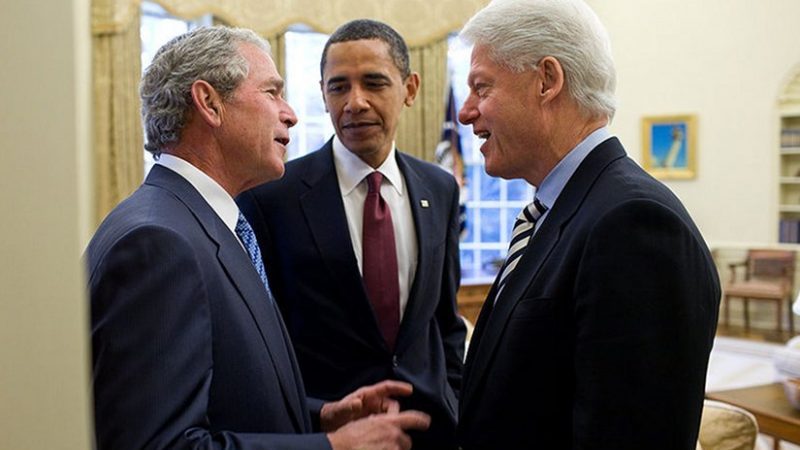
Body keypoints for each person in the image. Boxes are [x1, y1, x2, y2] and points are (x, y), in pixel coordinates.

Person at [85, 26, 430, 450]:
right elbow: (161, 445)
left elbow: (224, 393)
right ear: (210, 103)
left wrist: (320, 415)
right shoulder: (158, 244)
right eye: (272, 92)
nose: (291, 113)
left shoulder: (201, 222)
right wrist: (333, 447)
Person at [454, 1, 720, 449]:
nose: (465, 112)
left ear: (547, 81)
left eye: (481, 88)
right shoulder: (562, 210)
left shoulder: (633, 225)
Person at [238, 19, 465, 450]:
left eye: (374, 83)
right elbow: (264, 340)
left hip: (430, 429)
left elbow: (445, 322)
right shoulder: (272, 197)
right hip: (329, 433)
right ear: (322, 94)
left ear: (410, 88)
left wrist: (453, 399)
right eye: (338, 87)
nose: (355, 102)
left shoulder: (440, 188)